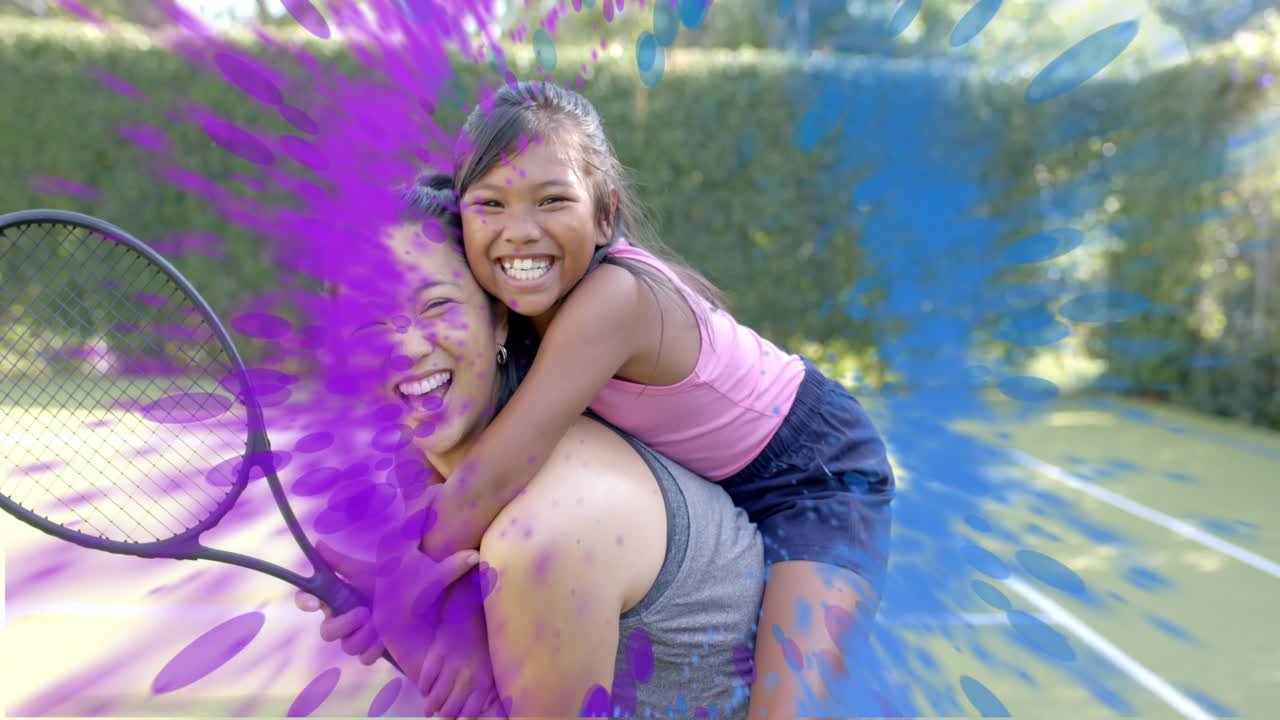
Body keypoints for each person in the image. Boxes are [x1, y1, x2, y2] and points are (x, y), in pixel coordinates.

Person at [416, 80, 897, 714]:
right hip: (712, 486)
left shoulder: (614, 302)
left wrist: (397, 581)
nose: (520, 230)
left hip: (819, 479)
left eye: (552, 199)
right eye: (490, 204)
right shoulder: (519, 320)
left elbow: (497, 473)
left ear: (605, 214)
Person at [296, 176, 766, 717]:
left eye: (436, 306)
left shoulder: (545, 531)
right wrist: (419, 623)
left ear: (498, 317)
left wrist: (409, 636)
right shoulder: (441, 483)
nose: (405, 345)